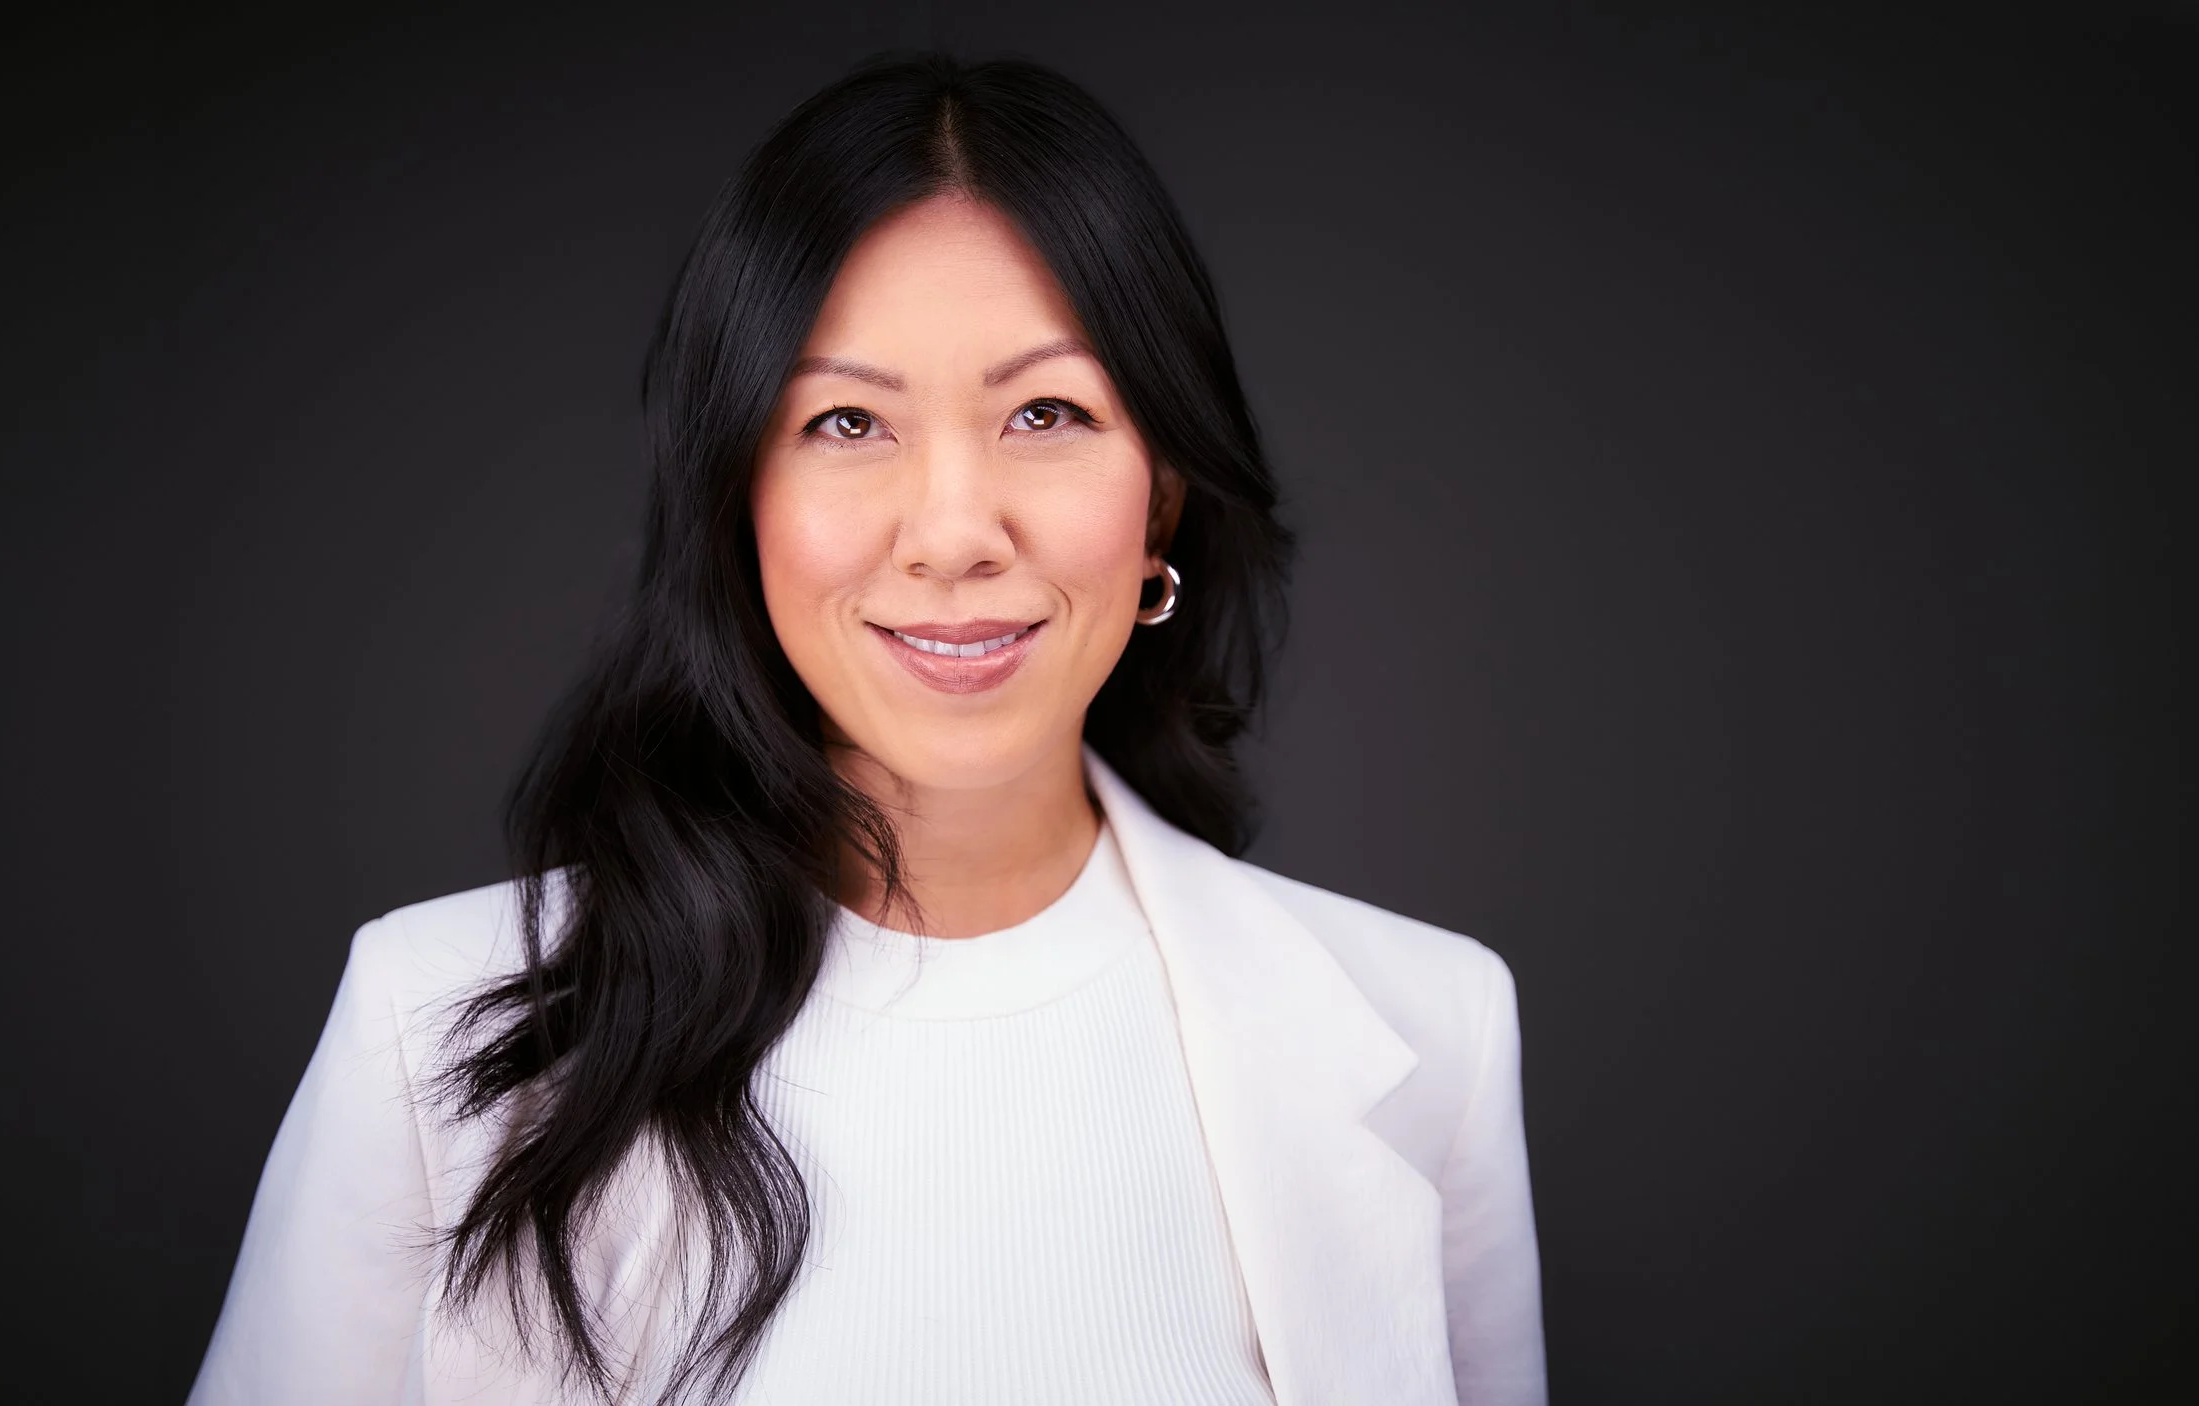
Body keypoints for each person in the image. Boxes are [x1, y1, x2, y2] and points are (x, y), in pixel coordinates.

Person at [189, 52, 1545, 1406]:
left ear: (1164, 497)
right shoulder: (431, 1030)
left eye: (1047, 413)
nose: (953, 534)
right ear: (738, 497)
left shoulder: (1432, 1029)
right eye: (847, 421)